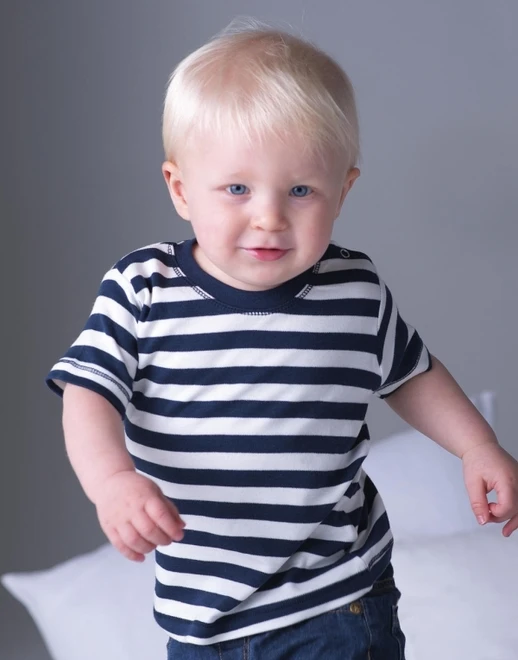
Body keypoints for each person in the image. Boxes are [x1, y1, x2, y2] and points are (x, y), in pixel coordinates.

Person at [46, 19, 518, 660]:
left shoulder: (353, 290)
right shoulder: (143, 289)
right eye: (237, 189)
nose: (268, 216)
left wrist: (477, 445)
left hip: (337, 599)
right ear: (181, 189)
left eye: (300, 191)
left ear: (342, 190)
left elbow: (412, 374)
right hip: (202, 614)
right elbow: (87, 392)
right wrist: (111, 481)